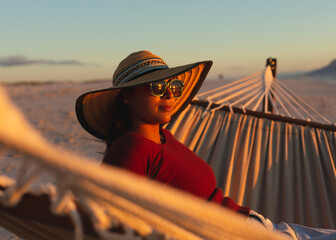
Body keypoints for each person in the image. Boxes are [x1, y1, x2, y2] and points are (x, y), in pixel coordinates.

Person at [76, 50, 336, 240]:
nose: (169, 93)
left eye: (174, 85)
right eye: (156, 86)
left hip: (255, 224)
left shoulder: (166, 138)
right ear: (127, 98)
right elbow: (110, 218)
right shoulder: (132, 146)